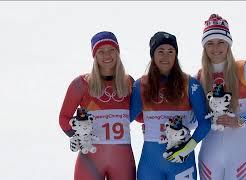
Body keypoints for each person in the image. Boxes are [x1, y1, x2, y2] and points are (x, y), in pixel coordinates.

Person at [197, 14, 246, 180]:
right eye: (210, 43)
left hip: (240, 152)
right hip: (210, 152)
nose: (215, 47)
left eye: (221, 42)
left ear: (228, 44)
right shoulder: (199, 77)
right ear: (204, 47)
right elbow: (192, 119)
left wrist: (240, 121)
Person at [130, 31, 211, 180]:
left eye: (170, 51)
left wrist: (189, 147)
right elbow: (123, 119)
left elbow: (205, 123)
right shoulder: (141, 85)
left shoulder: (190, 84)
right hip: (150, 165)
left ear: (176, 55)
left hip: (182, 163)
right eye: (160, 51)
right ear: (153, 55)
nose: (165, 56)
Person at [59, 31, 136, 180]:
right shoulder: (81, 84)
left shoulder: (129, 83)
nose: (107, 55)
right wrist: (76, 136)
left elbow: (139, 116)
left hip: (122, 161)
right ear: (94, 55)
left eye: (111, 50)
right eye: (101, 51)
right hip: (90, 159)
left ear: (118, 52)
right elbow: (64, 117)